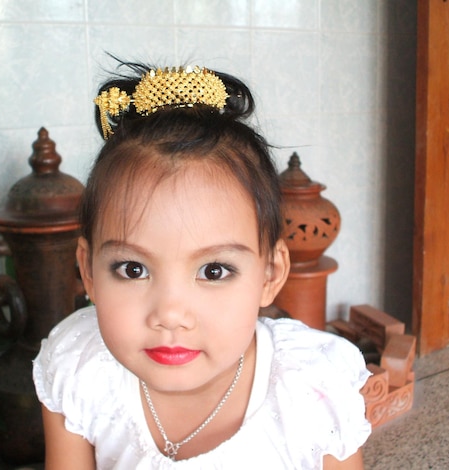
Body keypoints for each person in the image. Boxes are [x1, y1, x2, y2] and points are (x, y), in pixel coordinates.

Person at [33, 61, 372, 469]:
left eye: (214, 271)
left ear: (271, 273)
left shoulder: (312, 392)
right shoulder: (78, 367)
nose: (171, 315)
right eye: (132, 269)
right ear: (88, 270)